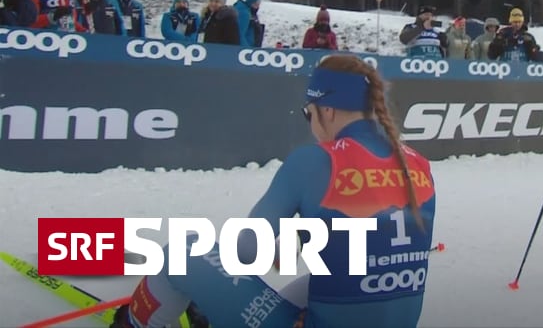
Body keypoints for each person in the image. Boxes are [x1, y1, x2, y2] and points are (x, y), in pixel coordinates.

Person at [110, 54, 437, 328]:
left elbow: (246, 252)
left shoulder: (316, 160)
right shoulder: (417, 163)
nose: (311, 123)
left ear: (327, 110)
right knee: (335, 280)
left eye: (308, 113)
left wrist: (211, 281)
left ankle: (133, 323)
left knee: (185, 252)